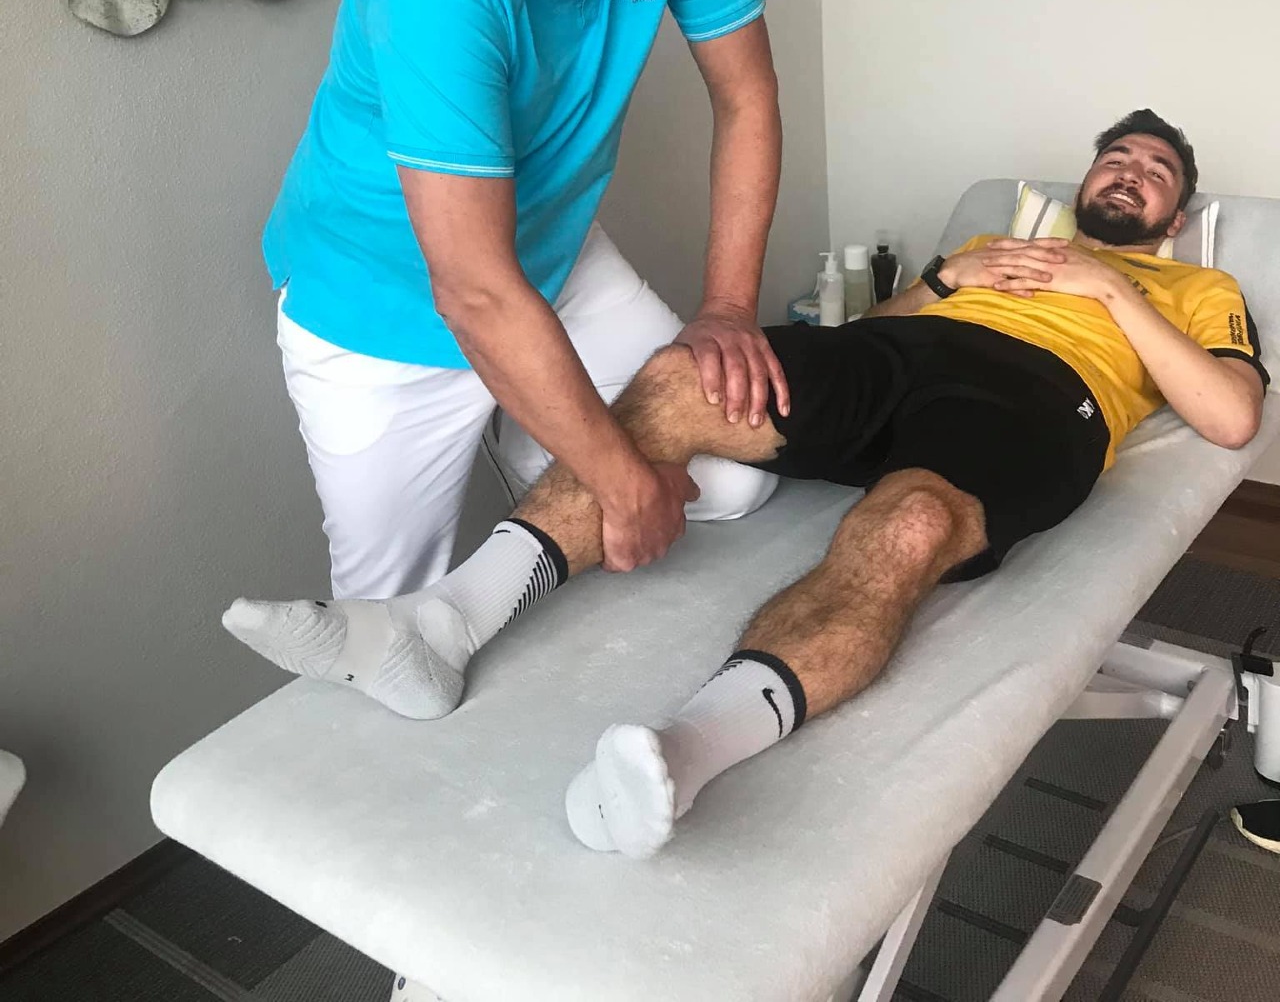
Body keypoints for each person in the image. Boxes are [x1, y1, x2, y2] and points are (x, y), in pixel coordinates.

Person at [227, 109, 1266, 857]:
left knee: (909, 525)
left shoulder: (1195, 285)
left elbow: (1230, 415)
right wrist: (948, 279)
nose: (1129, 173)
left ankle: (681, 756)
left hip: (1035, 400)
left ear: (1173, 214)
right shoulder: (994, 244)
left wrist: (1105, 288)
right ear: (1084, 180)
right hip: (905, 359)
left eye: (1154, 171)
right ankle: (445, 621)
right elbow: (869, 338)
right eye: (1115, 158)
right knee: (687, 374)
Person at [261, 0, 789, 601]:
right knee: (391, 626)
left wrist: (725, 307)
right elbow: (469, 288)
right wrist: (619, 480)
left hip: (550, 253)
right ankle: (540, 427)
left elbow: (745, 93)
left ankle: (531, 429)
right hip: (383, 303)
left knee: (732, 480)